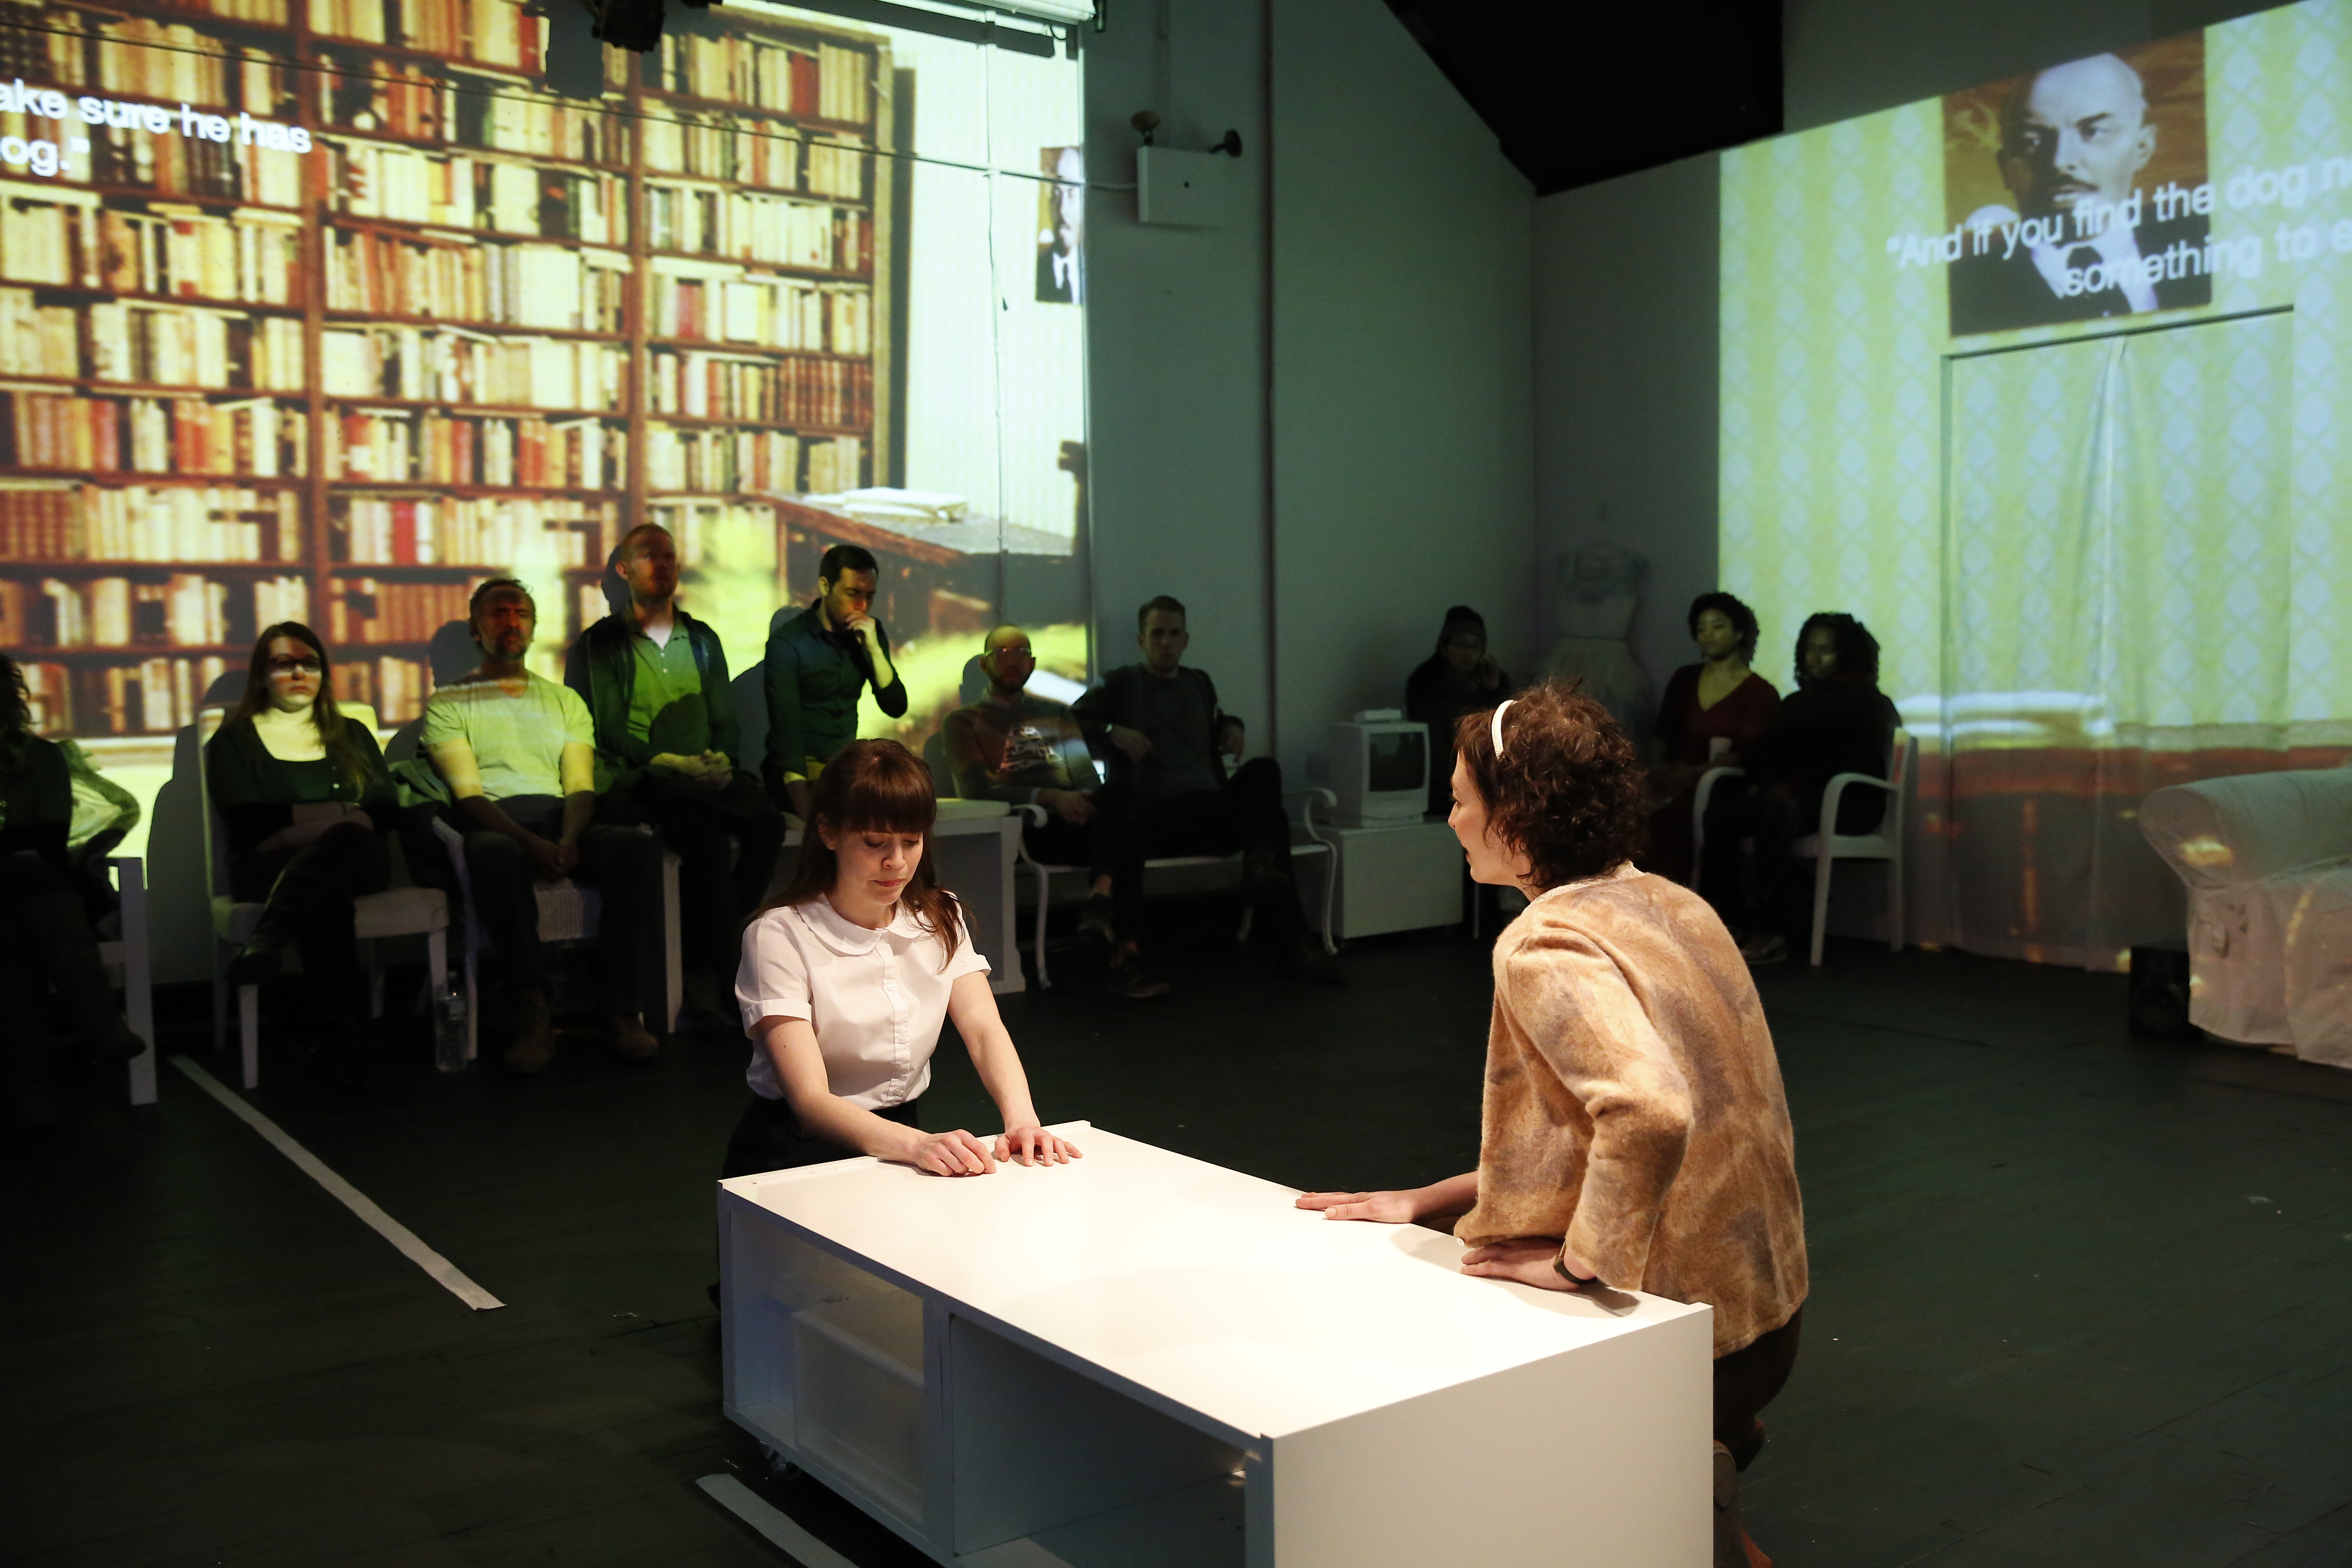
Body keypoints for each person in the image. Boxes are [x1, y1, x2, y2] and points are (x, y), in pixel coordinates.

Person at [1294, 680, 1807, 1568]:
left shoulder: (1546, 942)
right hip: (1768, 1316)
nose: (1449, 820)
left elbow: (1647, 1112)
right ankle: (1708, 1494)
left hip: (1681, 1336)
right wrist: (1430, 1198)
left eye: (1460, 801)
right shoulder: (1674, 904)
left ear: (1516, 816)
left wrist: (1581, 1263)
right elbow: (1646, 1126)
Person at [724, 738, 1081, 1178]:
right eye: (875, 843)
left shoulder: (940, 917)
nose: (897, 862)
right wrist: (916, 1145)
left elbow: (985, 1030)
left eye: (911, 842)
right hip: (793, 1152)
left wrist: (1023, 1120)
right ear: (829, 832)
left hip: (904, 1139)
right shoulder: (780, 935)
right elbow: (810, 1101)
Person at [423, 578, 665, 1071]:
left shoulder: (564, 701)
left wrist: (570, 838)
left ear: (533, 626)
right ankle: (532, 1008)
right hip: (500, 822)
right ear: (477, 628)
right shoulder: (448, 704)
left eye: (521, 614)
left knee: (632, 848)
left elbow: (580, 784)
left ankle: (622, 1010)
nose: (511, 623)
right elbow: (468, 795)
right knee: (492, 851)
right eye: (498, 613)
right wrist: (530, 842)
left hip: (562, 818)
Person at [566, 524, 786, 1022]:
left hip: (704, 778)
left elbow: (724, 719)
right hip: (643, 779)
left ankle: (714, 958)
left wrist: (723, 759)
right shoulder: (602, 643)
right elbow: (607, 727)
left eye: (669, 555)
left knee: (768, 822)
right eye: (649, 556)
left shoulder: (702, 639)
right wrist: (665, 761)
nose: (663, 564)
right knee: (702, 835)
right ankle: (723, 972)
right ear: (624, 571)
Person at [1072, 595, 1339, 985]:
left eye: (1174, 634)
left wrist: (1232, 726)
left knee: (1264, 770)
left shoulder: (1199, 682)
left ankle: (1259, 868)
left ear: (1186, 639)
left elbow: (1206, 725)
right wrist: (1114, 731)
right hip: (1159, 814)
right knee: (1275, 821)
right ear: (1142, 640)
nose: (1166, 642)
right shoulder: (1123, 683)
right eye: (1157, 634)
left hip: (1210, 809)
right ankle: (1294, 946)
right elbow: (1073, 721)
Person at [204, 623, 400, 1081]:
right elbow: (248, 821)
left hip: (355, 859)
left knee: (342, 846)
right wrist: (344, 813)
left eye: (309, 663)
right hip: (264, 869)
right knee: (327, 880)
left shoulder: (351, 734)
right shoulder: (233, 741)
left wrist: (297, 830)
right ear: (261, 676)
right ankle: (348, 1038)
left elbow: (387, 810)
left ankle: (267, 939)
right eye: (283, 663)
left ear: (324, 674)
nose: (298, 672)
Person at [941, 625, 1165, 1000]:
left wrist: (1083, 801)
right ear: (984, 664)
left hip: (1080, 821)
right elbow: (978, 789)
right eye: (1002, 653)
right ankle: (1118, 938)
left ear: (1032, 664)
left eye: (1021, 652)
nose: (1012, 661)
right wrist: (1051, 797)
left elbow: (1087, 778)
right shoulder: (964, 722)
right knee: (1131, 834)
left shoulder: (1058, 715)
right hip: (1029, 828)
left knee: (1123, 792)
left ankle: (1105, 909)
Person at [1947, 51, 2211, 336]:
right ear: (2005, 168)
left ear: (2143, 148)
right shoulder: (1963, 291)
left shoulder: (2208, 244)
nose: (2061, 161)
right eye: (2032, 141)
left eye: (2093, 132)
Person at [1700, 612, 1901, 967]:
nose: (1815, 658)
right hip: (1790, 797)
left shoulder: (1868, 702)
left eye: (1826, 650)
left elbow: (1853, 761)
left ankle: (1773, 931)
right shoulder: (1797, 702)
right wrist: (1773, 783)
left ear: (1847, 654)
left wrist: (1791, 788)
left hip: (1849, 799)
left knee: (1779, 814)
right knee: (1720, 815)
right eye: (1810, 649)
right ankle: (1728, 921)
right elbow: (1764, 753)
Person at [0, 654, 143, 1131]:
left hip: (25, 893)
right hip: (34, 886)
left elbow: (51, 836)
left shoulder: (43, 757)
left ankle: (28, 1092)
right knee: (34, 884)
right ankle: (99, 1021)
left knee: (18, 935)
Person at [1643, 592, 1780, 886]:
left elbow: (1746, 754)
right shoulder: (1685, 678)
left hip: (1718, 785)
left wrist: (1689, 776)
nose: (1709, 635)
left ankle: (1678, 902)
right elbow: (1662, 732)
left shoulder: (1760, 692)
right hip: (1670, 778)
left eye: (1717, 627)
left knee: (1674, 816)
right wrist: (1658, 770)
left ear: (1739, 632)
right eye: (1702, 629)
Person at [763, 543, 907, 820]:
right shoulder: (788, 642)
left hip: (843, 769)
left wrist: (875, 651)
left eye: (870, 597)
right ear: (825, 586)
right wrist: (807, 814)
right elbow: (787, 738)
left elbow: (896, 705)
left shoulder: (869, 634)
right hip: (798, 773)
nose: (862, 606)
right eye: (853, 594)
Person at [1405, 606, 1512, 817]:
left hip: (1483, 783)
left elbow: (1500, 733)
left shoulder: (1490, 680)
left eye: (1475, 647)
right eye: (1461, 645)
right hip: (1441, 786)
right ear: (1445, 648)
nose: (1468, 653)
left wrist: (1492, 691)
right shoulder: (1427, 683)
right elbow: (1439, 744)